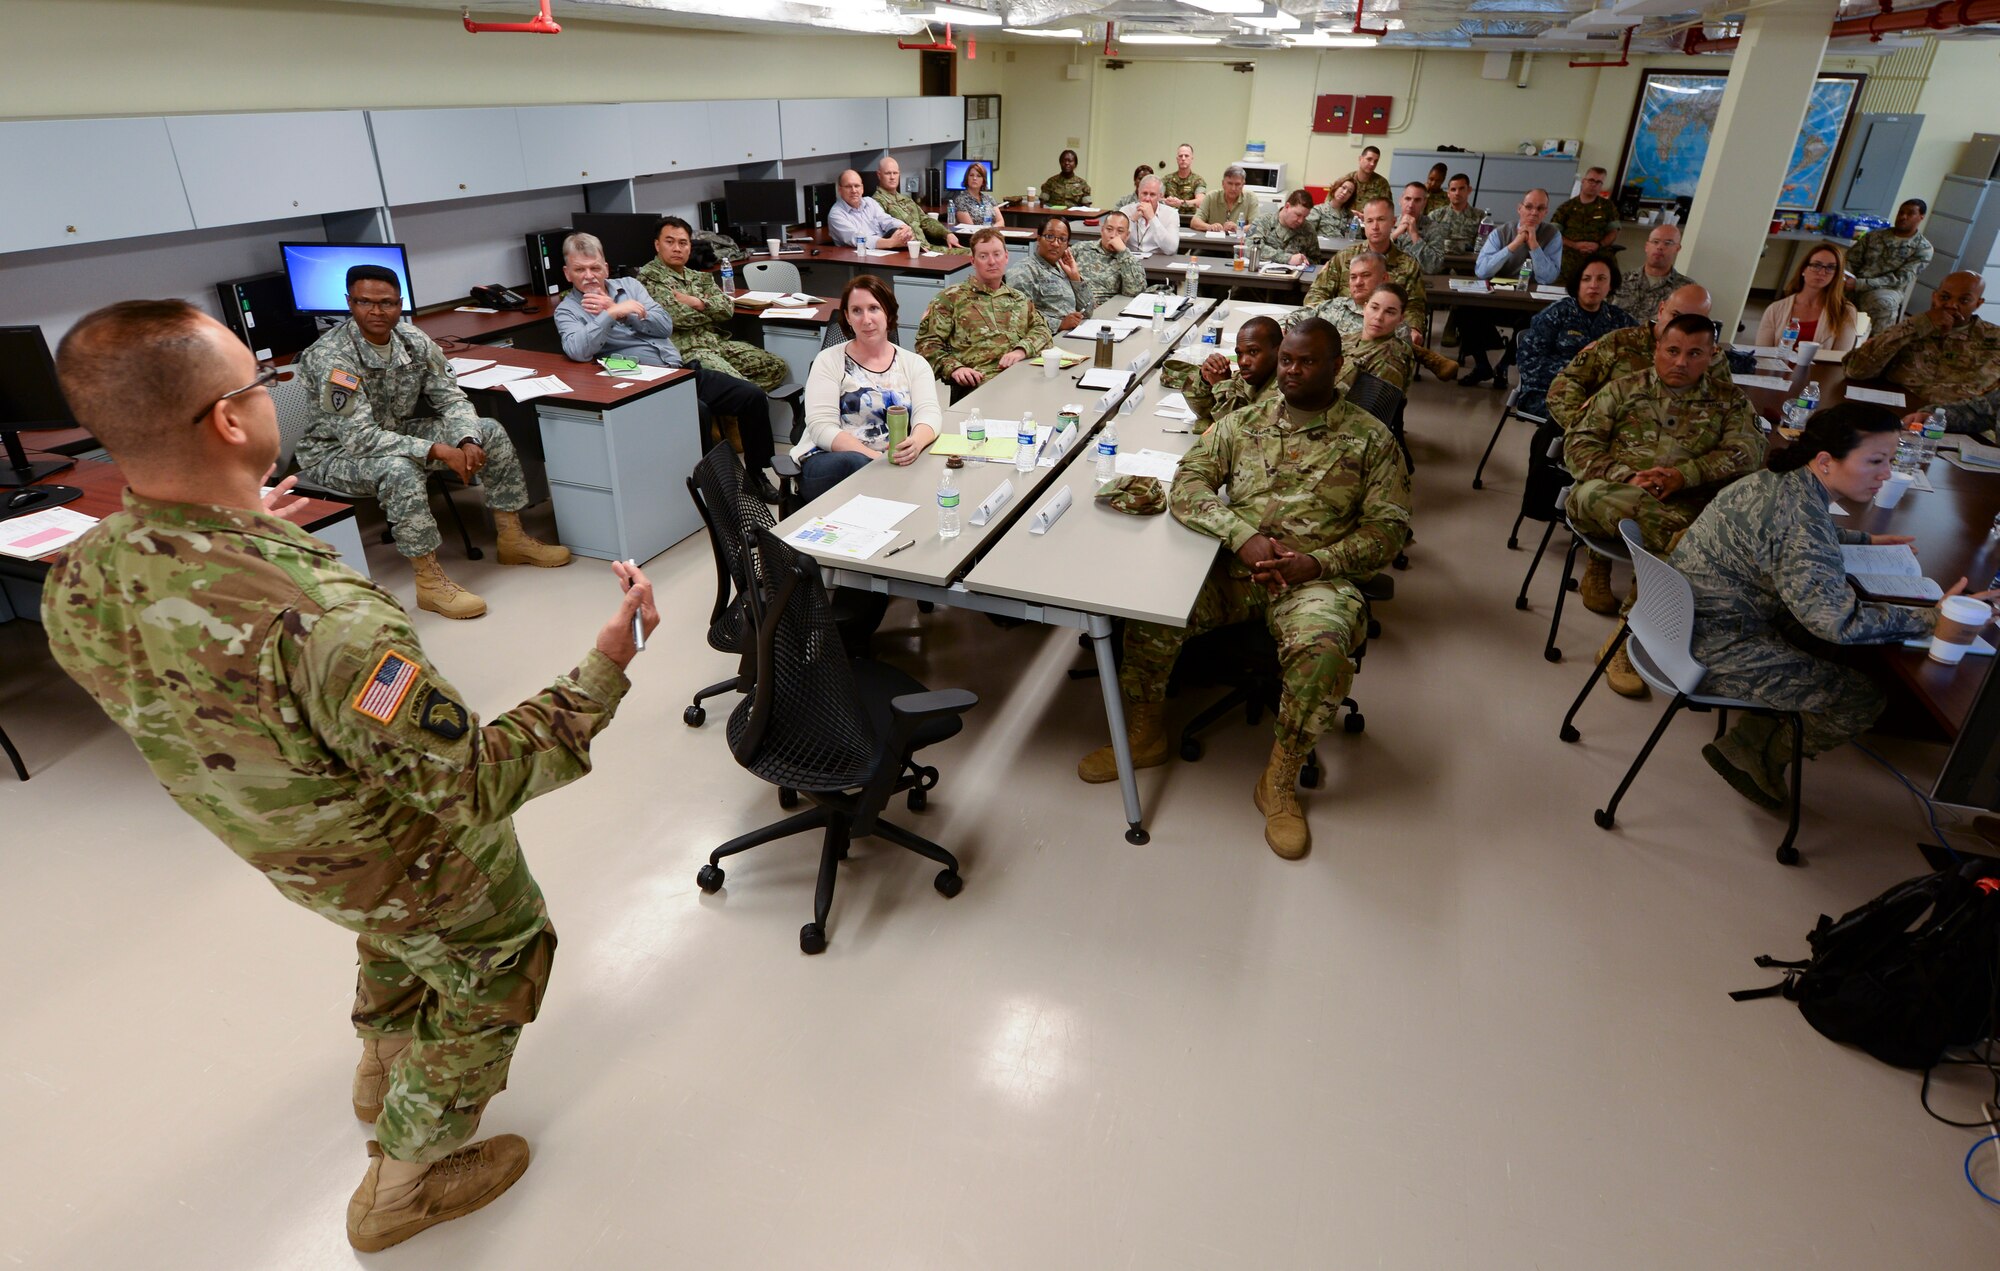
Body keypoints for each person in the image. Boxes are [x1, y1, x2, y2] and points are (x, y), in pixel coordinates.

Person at [42, 298, 659, 1253]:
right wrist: (605, 667)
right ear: (230, 420)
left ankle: (381, 1065)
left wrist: (248, 532)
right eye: (261, 380)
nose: (274, 393)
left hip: (290, 848)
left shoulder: (81, 574)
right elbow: (477, 779)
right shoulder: (326, 621)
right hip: (397, 849)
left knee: (394, 927)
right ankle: (402, 1183)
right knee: (497, 957)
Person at [1075, 318, 1410, 860]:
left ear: (1336, 366)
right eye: (1287, 360)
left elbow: (1388, 530)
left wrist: (1317, 562)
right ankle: (1145, 736)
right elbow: (1188, 482)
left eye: (1306, 362)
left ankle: (1278, 780)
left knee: (1324, 652)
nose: (1292, 371)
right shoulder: (1244, 422)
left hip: (1315, 579)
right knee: (1152, 606)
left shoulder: (1371, 439)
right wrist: (1241, 535)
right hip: (1238, 571)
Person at [1672, 401, 1994, 807]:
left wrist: (1862, 540)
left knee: (1830, 645)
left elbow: (1793, 533)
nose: (1886, 473)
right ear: (1826, 461)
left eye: (1890, 460)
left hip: (1686, 619)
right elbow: (1837, 622)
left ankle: (1751, 736)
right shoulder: (1800, 519)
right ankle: (1756, 757)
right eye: (1875, 461)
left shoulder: (1783, 482)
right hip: (1709, 645)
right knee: (1861, 697)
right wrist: (1935, 618)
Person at [293, 264, 567, 622]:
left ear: (400, 303)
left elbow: (450, 398)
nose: (376, 311)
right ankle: (429, 583)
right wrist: (436, 450)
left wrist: (466, 439)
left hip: (395, 432)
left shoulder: (412, 339)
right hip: (335, 452)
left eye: (386, 302)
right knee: (399, 469)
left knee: (489, 430)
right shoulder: (332, 356)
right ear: (349, 302)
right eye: (364, 302)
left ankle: (512, 539)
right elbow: (359, 438)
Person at [1564, 312, 1766, 697]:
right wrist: (1627, 476)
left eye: (1694, 354)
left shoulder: (1730, 402)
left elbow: (1748, 453)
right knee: (1599, 499)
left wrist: (1685, 475)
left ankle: (1623, 638)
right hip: (1614, 496)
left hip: (1686, 505)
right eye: (1672, 351)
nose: (1681, 362)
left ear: (1712, 356)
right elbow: (1579, 444)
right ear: (1657, 348)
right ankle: (1675, 555)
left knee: (1693, 534)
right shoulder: (1622, 390)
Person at [552, 233, 780, 504]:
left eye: (595, 268)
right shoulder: (567, 310)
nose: (589, 276)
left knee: (752, 396)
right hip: (641, 385)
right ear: (567, 273)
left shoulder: (630, 286)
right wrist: (609, 314)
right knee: (699, 411)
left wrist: (623, 310)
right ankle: (718, 491)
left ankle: (756, 474)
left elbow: (664, 326)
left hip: (677, 371)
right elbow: (578, 350)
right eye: (580, 270)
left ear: (606, 268)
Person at [792, 275, 940, 501]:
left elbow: (929, 413)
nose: (866, 319)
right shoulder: (829, 360)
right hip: (829, 460)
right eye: (857, 311)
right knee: (855, 463)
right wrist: (875, 458)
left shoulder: (914, 364)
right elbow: (821, 428)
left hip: (893, 463)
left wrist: (916, 444)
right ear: (847, 317)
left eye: (874, 308)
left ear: (888, 313)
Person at [1545, 283, 1732, 435]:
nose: (1681, 326)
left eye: (1693, 320)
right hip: (1607, 436)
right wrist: (1584, 426)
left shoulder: (1712, 358)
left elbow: (1725, 409)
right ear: (1661, 310)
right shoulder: (1620, 342)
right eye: (1675, 315)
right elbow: (1566, 384)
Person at [634, 215, 789, 391]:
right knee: (743, 388)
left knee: (776, 366)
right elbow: (676, 317)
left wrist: (697, 303)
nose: (677, 248)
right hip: (688, 352)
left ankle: (729, 401)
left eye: (683, 243)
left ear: (690, 246)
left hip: (716, 343)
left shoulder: (698, 276)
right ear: (657, 245)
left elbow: (727, 309)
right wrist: (711, 308)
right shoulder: (648, 278)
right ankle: (739, 397)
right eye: (669, 242)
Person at [914, 227, 1051, 399]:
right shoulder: (951, 298)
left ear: (1006, 257)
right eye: (983, 256)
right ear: (973, 261)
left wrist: (1021, 350)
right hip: (980, 385)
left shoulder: (1018, 298)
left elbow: (1043, 330)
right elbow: (926, 345)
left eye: (997, 254)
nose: (992, 262)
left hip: (1021, 377)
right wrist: (954, 368)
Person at [1844, 270, 2000, 400]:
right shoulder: (1909, 329)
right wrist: (1917, 324)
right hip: (1898, 411)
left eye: (1964, 300)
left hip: (1959, 421)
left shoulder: (1994, 339)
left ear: (1978, 303)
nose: (1952, 305)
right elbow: (1855, 370)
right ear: (1934, 296)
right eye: (1944, 297)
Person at [1461, 189, 1562, 387]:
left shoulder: (1552, 235)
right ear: (1519, 208)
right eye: (1529, 207)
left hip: (1527, 303)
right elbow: (1482, 271)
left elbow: (1548, 277)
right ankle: (1482, 365)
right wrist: (1514, 244)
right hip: (1497, 299)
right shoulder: (1501, 232)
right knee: (1464, 310)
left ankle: (1504, 365)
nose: (1534, 212)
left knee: (1536, 320)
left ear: (1545, 212)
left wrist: (1534, 245)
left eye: (1540, 208)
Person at [1515, 256, 1635, 419]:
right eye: (1586, 279)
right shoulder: (1557, 313)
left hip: (1602, 396)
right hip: (1549, 392)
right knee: (1591, 419)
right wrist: (1577, 374)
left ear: (1611, 285)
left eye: (1601, 279)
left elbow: (1640, 353)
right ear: (1577, 283)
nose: (1594, 285)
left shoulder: (1619, 320)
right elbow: (1528, 360)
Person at [1304, 198, 1428, 343]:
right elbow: (1317, 293)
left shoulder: (1408, 265)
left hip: (1384, 335)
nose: (1375, 226)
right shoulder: (1345, 257)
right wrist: (1325, 320)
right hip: (1341, 330)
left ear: (1393, 222)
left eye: (1381, 220)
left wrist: (1413, 328)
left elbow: (1415, 305)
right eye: (1369, 221)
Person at [1754, 241, 1863, 354]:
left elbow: (1839, 358)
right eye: (1816, 265)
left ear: (1836, 274)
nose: (1822, 272)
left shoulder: (1845, 311)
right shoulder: (1775, 309)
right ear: (1803, 269)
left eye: (1830, 267)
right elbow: (1762, 353)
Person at [1179, 315, 1282, 431]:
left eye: (1253, 351)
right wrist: (1206, 380)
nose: (1243, 362)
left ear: (1279, 351)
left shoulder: (1286, 391)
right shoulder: (1249, 378)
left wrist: (1223, 386)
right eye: (1239, 353)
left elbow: (1238, 432)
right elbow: (1204, 412)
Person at [1846, 198, 1934, 331]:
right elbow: (1851, 260)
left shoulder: (1922, 248)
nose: (1903, 217)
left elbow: (1900, 279)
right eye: (1901, 212)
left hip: (1887, 289)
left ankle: (1876, 342)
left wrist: (1860, 284)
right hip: (1854, 281)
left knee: (1884, 304)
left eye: (1910, 213)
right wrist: (1845, 278)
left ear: (1921, 217)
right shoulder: (1874, 236)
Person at [1006, 217, 1093, 335]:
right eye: (1050, 236)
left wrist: (1075, 277)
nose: (1056, 244)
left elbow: (1088, 311)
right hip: (1044, 337)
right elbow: (1019, 315)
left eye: (1062, 239)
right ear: (1038, 239)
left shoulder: (1063, 268)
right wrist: (1059, 324)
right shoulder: (1023, 271)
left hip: (1073, 333)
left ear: (1067, 245)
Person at [1336, 285, 1417, 393]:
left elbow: (1369, 404)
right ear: (1365, 308)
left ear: (1400, 319)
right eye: (1374, 308)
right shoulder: (1350, 338)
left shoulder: (1389, 360)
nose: (1378, 317)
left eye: (1390, 312)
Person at [873, 156, 963, 253]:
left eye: (895, 173)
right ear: (879, 175)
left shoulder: (906, 199)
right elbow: (889, 233)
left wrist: (946, 234)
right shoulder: (876, 202)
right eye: (888, 173)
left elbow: (925, 220)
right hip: (910, 252)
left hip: (927, 248)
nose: (892, 177)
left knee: (969, 252)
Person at [1549, 166, 1621, 286]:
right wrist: (1574, 245)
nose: (1594, 185)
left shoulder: (1608, 207)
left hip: (1599, 252)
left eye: (1598, 182)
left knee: (1610, 278)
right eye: (1591, 180)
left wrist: (1599, 245)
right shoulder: (1566, 207)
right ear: (1583, 181)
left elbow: (1613, 232)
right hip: (1570, 252)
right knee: (1558, 274)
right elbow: (1554, 233)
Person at [1610, 224, 1691, 326]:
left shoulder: (1685, 290)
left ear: (1677, 249)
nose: (1660, 247)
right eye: (1655, 242)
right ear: (1646, 246)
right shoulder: (1620, 280)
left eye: (1668, 243)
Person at [1072, 209, 1148, 308]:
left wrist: (1123, 253)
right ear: (1102, 230)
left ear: (1127, 235)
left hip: (1105, 308)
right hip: (1074, 305)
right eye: (1109, 229)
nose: (1113, 235)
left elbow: (1134, 293)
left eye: (1120, 231)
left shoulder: (1129, 260)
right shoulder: (1081, 248)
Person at [827, 168, 912, 249]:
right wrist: (890, 243)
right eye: (848, 186)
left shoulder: (870, 202)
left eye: (857, 186)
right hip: (858, 256)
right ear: (840, 190)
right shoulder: (836, 214)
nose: (854, 190)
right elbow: (857, 239)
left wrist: (903, 227)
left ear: (862, 188)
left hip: (883, 251)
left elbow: (886, 220)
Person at [1249, 190, 1329, 267]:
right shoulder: (1261, 221)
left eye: (1304, 217)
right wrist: (1288, 258)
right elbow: (1250, 247)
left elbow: (1316, 260)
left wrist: (1302, 260)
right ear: (1287, 206)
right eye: (1298, 215)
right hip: (1263, 273)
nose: (1300, 221)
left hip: (1296, 274)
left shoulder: (1308, 230)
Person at [1425, 172, 1485, 255]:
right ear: (1448, 193)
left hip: (1468, 261)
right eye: (1453, 189)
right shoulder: (1435, 216)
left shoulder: (1480, 217)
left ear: (1469, 190)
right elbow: (1426, 244)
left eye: (1461, 188)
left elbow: (1482, 246)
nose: (1457, 193)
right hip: (1441, 261)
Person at [1390, 180, 1443, 273]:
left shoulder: (1433, 228)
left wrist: (1415, 235)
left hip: (1417, 279)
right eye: (1407, 199)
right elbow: (1371, 257)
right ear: (1400, 200)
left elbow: (1434, 267)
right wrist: (1394, 235)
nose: (1411, 205)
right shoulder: (1388, 222)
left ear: (1424, 203)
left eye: (1417, 200)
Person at [1125, 174, 1183, 257]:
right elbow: (1116, 241)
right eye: (1144, 193)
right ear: (1138, 193)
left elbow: (1171, 249)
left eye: (1152, 194)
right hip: (1130, 260)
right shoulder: (1126, 211)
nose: (1147, 199)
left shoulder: (1171, 214)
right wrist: (1132, 220)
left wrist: (1152, 218)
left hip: (1159, 260)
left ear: (1160, 196)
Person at [1191, 165, 1258, 232]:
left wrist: (1238, 228)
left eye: (1237, 184)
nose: (1233, 188)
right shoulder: (1211, 197)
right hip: (1214, 238)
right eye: (1230, 183)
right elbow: (1194, 222)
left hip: (1239, 238)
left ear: (1243, 185)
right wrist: (1209, 227)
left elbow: (1256, 226)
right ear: (1223, 184)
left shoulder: (1250, 198)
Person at [1333, 145, 1392, 212]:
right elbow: (1330, 206)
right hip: (1345, 217)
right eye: (1369, 159)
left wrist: (1366, 216)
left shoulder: (1382, 184)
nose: (1372, 164)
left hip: (1370, 218)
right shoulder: (1345, 180)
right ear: (1360, 159)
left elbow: (1387, 210)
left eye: (1375, 161)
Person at [950, 161, 1003, 227]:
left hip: (992, 232)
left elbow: (1001, 222)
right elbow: (971, 228)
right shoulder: (961, 200)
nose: (974, 178)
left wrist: (991, 230)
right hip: (974, 233)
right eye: (971, 175)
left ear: (983, 181)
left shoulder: (989, 199)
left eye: (978, 176)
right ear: (967, 178)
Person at [1161, 143, 1206, 210]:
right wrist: (1167, 201)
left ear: (1192, 158)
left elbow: (1201, 201)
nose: (1183, 158)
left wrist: (1181, 203)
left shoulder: (1198, 180)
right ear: (1177, 159)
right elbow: (1157, 198)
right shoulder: (1166, 179)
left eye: (1186, 156)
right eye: (1180, 156)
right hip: (1169, 215)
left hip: (1189, 216)